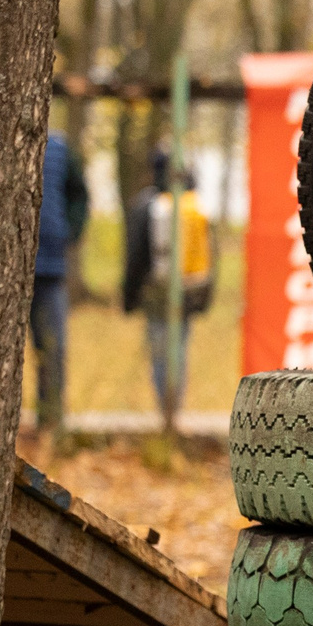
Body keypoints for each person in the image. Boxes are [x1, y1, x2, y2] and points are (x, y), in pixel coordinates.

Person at [121, 148, 214, 428]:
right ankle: (175, 411)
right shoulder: (195, 205)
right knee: (179, 349)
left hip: (157, 292)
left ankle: (166, 414)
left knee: (161, 351)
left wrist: (129, 296)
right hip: (190, 292)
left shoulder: (148, 205)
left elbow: (136, 255)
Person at [29, 129, 89, 434]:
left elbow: (80, 194)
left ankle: (50, 421)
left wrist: (69, 232)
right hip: (6, 274)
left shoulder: (62, 149)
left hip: (50, 267)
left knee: (52, 348)